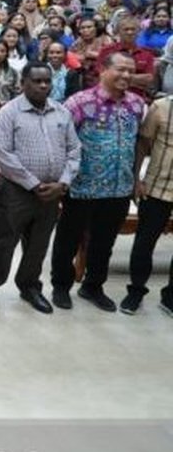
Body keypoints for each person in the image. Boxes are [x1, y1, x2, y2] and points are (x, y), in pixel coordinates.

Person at [0, 62, 80, 314]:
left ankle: (29, 286)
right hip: (16, 190)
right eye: (37, 81)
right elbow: (3, 152)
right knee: (4, 241)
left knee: (38, 244)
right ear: (23, 83)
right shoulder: (9, 112)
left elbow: (74, 149)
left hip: (52, 192)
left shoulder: (61, 112)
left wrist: (63, 182)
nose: (43, 85)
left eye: (47, 81)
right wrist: (33, 184)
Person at [50, 52, 145, 312]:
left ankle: (93, 286)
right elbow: (62, 143)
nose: (126, 75)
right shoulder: (78, 103)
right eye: (121, 69)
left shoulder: (137, 104)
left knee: (104, 242)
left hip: (119, 187)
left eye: (131, 71)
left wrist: (136, 179)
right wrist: (62, 180)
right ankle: (60, 285)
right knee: (68, 239)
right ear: (103, 69)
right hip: (82, 186)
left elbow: (138, 144)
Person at [126, 87, 173, 316]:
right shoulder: (161, 107)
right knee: (145, 243)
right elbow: (143, 145)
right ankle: (135, 291)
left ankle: (171, 296)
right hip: (156, 188)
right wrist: (136, 179)